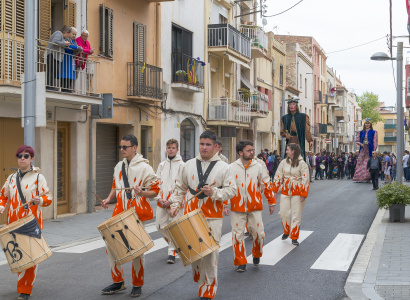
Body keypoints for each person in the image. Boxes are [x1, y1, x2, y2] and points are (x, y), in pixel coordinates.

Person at [169, 130, 236, 300]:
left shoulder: (224, 167)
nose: (204, 148)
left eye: (208, 145)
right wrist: (175, 205)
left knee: (210, 255)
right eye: (202, 144)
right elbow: (180, 188)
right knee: (195, 255)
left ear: (215, 147)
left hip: (213, 217)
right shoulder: (188, 165)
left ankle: (208, 290)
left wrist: (214, 192)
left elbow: (232, 191)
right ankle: (201, 278)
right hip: (191, 216)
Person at [101, 134, 159, 298]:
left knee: (137, 251)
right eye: (120, 147)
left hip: (136, 214)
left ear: (134, 148)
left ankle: (137, 284)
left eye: (125, 147)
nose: (121, 150)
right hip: (119, 212)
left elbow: (155, 190)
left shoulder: (145, 168)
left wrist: (143, 192)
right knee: (111, 248)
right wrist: (108, 198)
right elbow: (115, 185)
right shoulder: (118, 166)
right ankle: (118, 282)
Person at [0, 145, 52, 300]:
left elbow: (48, 198)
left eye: (26, 156)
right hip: (13, 224)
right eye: (19, 155)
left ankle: (25, 289)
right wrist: (1, 206)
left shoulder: (38, 178)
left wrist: (40, 200)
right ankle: (23, 283)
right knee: (17, 257)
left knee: (30, 258)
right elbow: (3, 195)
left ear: (31, 159)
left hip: (31, 223)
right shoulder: (10, 178)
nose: (22, 158)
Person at [228, 140, 276, 272]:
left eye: (252, 150)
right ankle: (240, 261)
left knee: (259, 234)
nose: (251, 152)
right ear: (240, 152)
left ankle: (256, 253)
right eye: (248, 150)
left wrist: (271, 202)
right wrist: (225, 204)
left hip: (254, 207)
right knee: (237, 235)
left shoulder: (258, 166)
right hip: (237, 208)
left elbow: (266, 184)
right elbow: (227, 187)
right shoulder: (231, 167)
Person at [272, 143, 310, 246]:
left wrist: (303, 193)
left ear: (293, 151)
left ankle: (294, 237)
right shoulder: (283, 162)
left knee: (296, 215)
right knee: (283, 213)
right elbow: (278, 176)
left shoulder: (302, 164)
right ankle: (287, 230)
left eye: (288, 149)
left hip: (297, 192)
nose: (286, 151)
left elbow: (305, 179)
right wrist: (275, 191)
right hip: (285, 190)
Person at [155, 139, 185, 264]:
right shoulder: (162, 165)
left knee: (174, 226)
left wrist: (171, 200)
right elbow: (156, 183)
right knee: (159, 225)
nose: (170, 150)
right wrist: (159, 198)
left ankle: (171, 253)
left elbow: (183, 185)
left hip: (176, 202)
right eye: (168, 148)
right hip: (162, 201)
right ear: (166, 149)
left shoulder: (183, 165)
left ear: (177, 150)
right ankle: (177, 245)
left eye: (173, 148)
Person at [59, 27, 83, 92]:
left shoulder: (74, 41)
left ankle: (69, 89)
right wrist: (76, 48)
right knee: (64, 75)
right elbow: (67, 46)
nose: (74, 36)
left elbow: (77, 50)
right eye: (73, 34)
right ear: (69, 33)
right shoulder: (66, 39)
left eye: (75, 34)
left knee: (70, 76)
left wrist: (77, 49)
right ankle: (64, 89)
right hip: (65, 59)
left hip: (71, 60)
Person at [75, 29, 95, 94]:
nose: (85, 37)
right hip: (76, 60)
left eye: (86, 36)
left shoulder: (87, 42)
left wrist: (91, 51)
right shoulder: (78, 39)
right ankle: (72, 89)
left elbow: (89, 51)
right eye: (84, 36)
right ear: (81, 35)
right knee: (74, 74)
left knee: (76, 75)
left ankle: (72, 88)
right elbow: (81, 49)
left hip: (82, 62)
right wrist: (89, 51)